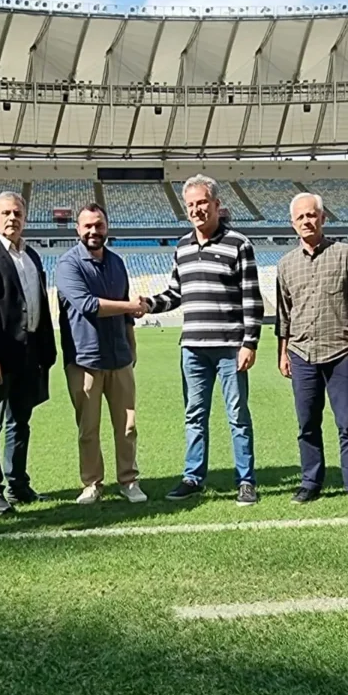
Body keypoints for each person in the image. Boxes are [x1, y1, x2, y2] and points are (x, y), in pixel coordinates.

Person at [143, 174, 263, 506]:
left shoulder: (238, 244)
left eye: (202, 203)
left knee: (237, 415)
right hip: (192, 347)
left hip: (228, 347)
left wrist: (249, 343)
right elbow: (175, 293)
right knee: (194, 414)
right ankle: (193, 477)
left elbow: (251, 299)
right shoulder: (182, 246)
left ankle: (246, 480)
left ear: (216, 205)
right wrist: (147, 304)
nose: (197, 209)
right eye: (191, 204)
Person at [275, 192, 348, 510]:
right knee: (306, 424)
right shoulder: (285, 264)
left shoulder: (346, 254)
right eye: (300, 216)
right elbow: (283, 315)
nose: (307, 220)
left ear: (323, 217)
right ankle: (310, 482)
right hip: (301, 353)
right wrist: (283, 352)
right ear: (293, 224)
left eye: (312, 214)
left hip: (341, 351)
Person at [0, 190, 57, 515]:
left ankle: (18, 485)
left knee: (21, 422)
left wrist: (46, 352)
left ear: (25, 217)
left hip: (29, 354)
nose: (12, 218)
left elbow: (39, 306)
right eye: (5, 213)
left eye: (17, 213)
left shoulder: (31, 256)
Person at [55, 203, 148, 505]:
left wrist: (131, 342)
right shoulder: (68, 265)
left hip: (119, 357)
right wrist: (133, 306)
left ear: (107, 227)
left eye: (99, 225)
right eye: (88, 226)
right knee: (88, 429)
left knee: (127, 426)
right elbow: (89, 306)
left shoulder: (117, 263)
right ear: (78, 230)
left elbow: (124, 310)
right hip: (84, 360)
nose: (94, 231)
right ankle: (92, 483)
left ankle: (129, 480)